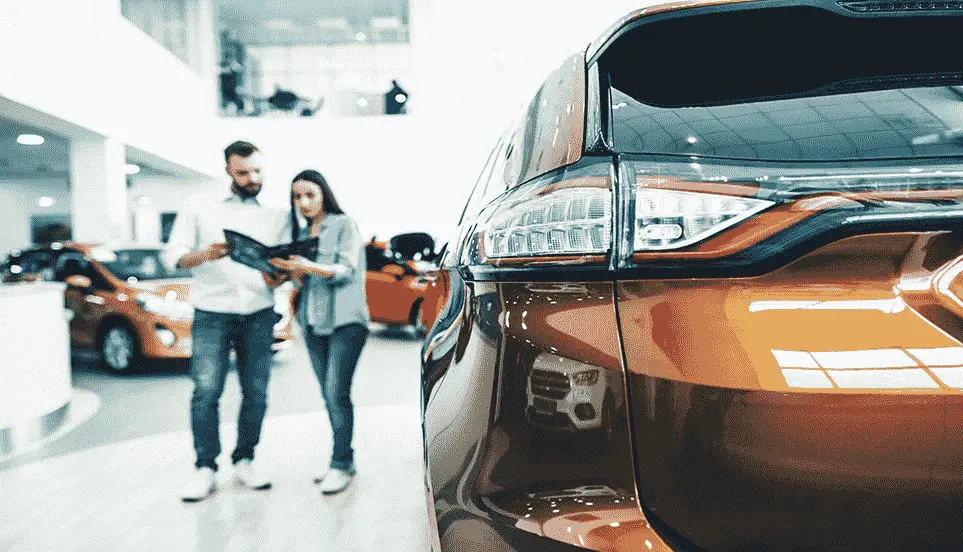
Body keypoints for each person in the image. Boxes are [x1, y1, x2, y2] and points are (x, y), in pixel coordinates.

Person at [163, 141, 289, 503]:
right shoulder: (199, 205)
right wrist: (208, 253)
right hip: (211, 312)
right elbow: (173, 257)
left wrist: (279, 275)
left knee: (256, 393)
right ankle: (205, 467)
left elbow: (282, 264)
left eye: (257, 171)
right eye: (243, 173)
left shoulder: (278, 212)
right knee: (206, 392)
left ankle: (245, 459)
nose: (252, 179)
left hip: (259, 312)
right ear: (228, 171)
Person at [269, 169, 369, 495]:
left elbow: (345, 270)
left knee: (337, 393)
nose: (303, 202)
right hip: (312, 323)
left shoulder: (344, 224)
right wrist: (288, 273)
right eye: (297, 196)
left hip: (346, 321)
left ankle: (340, 464)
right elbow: (304, 283)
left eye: (310, 194)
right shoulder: (301, 233)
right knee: (329, 395)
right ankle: (344, 459)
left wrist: (305, 265)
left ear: (324, 194)